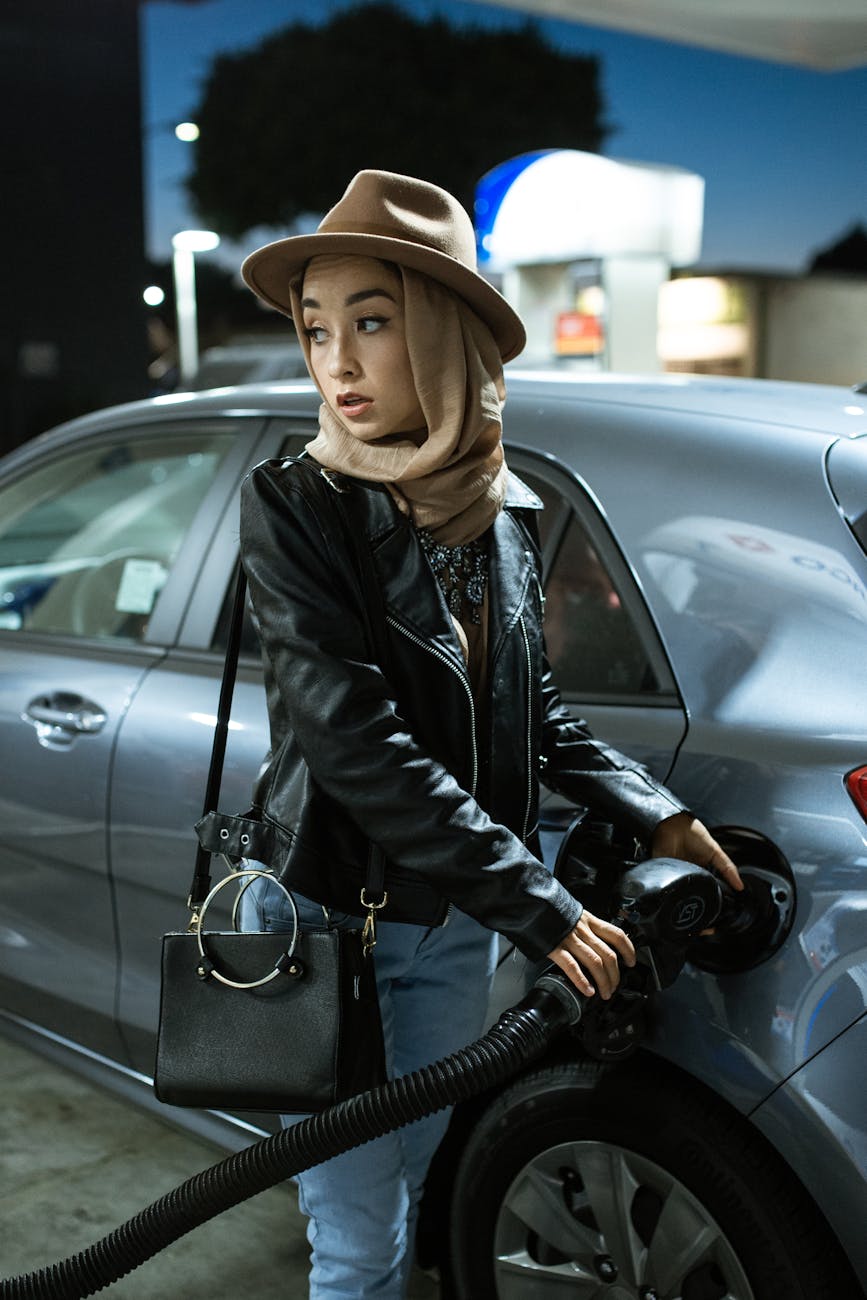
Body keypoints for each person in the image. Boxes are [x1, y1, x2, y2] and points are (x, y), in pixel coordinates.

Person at [235, 170, 742, 1299]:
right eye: (316, 329)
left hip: (455, 923)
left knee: (410, 1186)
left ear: (446, 333)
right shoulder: (296, 504)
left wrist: (656, 809)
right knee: (357, 1239)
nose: (337, 362)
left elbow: (534, 711)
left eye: (373, 322)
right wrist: (542, 905)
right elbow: (354, 743)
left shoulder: (503, 512)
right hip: (331, 920)